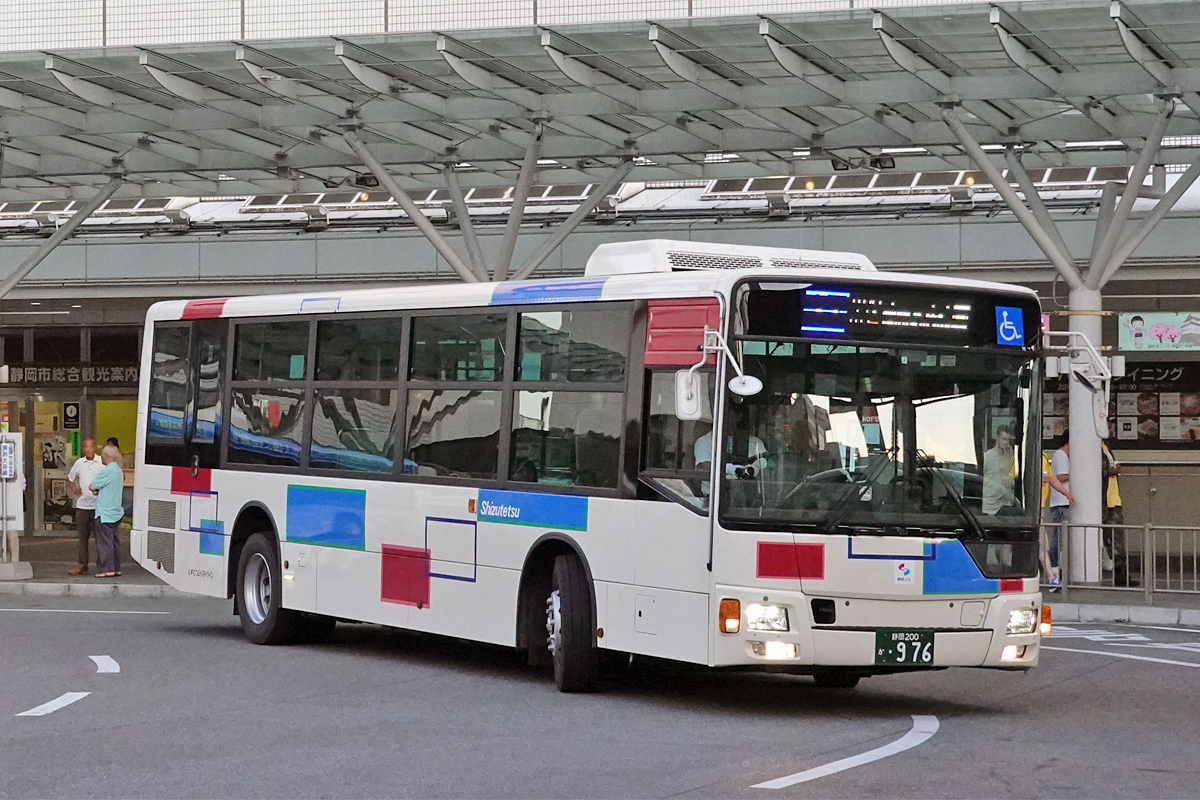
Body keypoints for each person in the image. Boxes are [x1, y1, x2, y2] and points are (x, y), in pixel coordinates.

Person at [65, 438, 104, 575]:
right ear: (83, 449)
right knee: (82, 538)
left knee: (100, 538)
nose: (88, 450)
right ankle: (82, 564)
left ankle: (102, 565)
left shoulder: (101, 462)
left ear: (95, 448)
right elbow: (70, 479)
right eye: (86, 447)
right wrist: (75, 491)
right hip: (82, 506)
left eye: (90, 447)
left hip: (98, 506)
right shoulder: (79, 463)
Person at [1101, 441, 1136, 586]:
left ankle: (1121, 574)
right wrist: (1112, 472)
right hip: (1106, 501)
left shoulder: (1105, 447)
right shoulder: (1094, 448)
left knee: (1117, 539)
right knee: (1113, 539)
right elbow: (1094, 472)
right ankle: (1120, 574)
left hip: (1113, 499)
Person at [88, 445, 124, 579]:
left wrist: (95, 490)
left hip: (105, 512)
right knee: (114, 541)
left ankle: (108, 568)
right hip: (115, 510)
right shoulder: (118, 471)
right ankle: (116, 568)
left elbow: (92, 486)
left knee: (104, 543)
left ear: (105, 457)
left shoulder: (108, 471)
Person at [1041, 450, 1073, 589]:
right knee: (1049, 542)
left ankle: (1052, 577)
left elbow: (1052, 479)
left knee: (1042, 545)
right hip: (1027, 508)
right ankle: (1052, 575)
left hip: (1039, 508)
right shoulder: (1059, 455)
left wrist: (1066, 493)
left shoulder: (1042, 457)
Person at [1048, 432, 1071, 583]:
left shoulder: (1060, 455)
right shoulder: (1061, 455)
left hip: (1062, 501)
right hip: (1060, 502)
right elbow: (1061, 477)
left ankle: (1056, 569)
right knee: (1058, 538)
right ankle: (1054, 569)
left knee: (1060, 537)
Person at [982, 426, 1017, 515]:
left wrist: (1009, 457)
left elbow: (1010, 475)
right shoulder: (987, 456)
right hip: (990, 501)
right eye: (1004, 439)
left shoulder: (1009, 455)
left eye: (1008, 440)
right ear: (997, 438)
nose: (1006, 442)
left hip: (1005, 501)